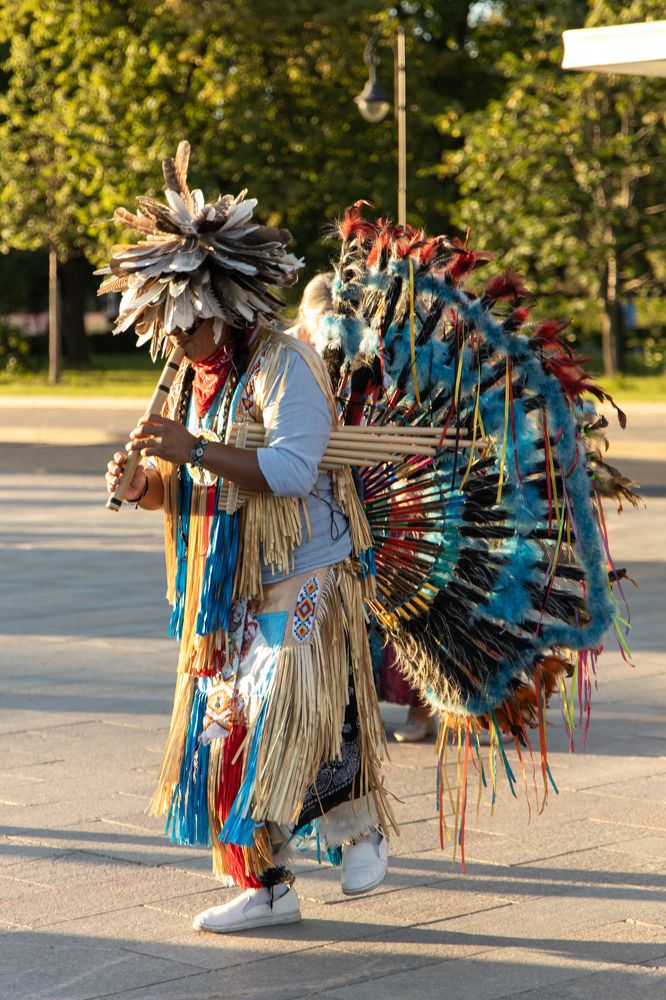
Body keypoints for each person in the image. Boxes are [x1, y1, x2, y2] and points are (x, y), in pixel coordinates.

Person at [102, 143, 395, 934]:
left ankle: (359, 830)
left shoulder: (283, 364)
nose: (178, 341)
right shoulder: (193, 382)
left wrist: (191, 448)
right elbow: (190, 488)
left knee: (297, 705)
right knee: (226, 723)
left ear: (224, 305)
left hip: (306, 567)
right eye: (168, 327)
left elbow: (293, 470)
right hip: (229, 582)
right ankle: (266, 884)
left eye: (190, 324)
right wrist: (143, 485)